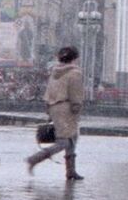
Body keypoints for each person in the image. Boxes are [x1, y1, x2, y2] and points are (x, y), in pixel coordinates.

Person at [26, 46, 87, 180]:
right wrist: (77, 106)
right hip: (67, 108)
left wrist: (49, 108)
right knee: (64, 141)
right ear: (75, 58)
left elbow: (50, 90)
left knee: (73, 137)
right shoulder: (75, 73)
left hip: (54, 106)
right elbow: (75, 93)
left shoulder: (55, 72)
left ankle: (71, 171)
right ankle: (35, 159)